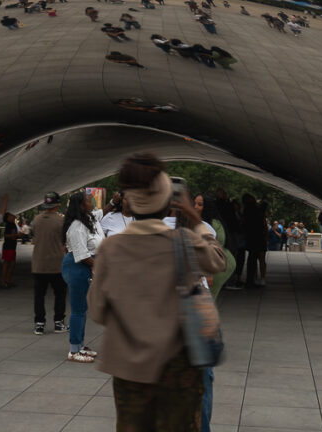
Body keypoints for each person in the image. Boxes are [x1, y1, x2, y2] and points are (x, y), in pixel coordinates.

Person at [89, 154, 226, 431]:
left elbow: (97, 310)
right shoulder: (183, 242)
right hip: (178, 370)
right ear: (168, 203)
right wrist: (195, 218)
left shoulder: (110, 249)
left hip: (128, 370)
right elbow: (218, 260)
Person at [62, 191, 105, 362]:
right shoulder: (77, 227)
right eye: (88, 200)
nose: (92, 201)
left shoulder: (88, 219)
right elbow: (81, 255)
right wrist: (98, 267)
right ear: (81, 205)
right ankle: (74, 350)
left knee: (82, 309)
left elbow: (103, 212)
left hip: (86, 266)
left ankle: (80, 345)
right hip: (78, 267)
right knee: (78, 309)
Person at [32, 192, 67, 336]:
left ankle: (39, 324)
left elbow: (34, 238)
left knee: (39, 296)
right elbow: (65, 240)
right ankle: (58, 322)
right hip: (57, 264)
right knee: (60, 294)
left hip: (39, 264)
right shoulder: (61, 221)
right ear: (58, 204)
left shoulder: (36, 220)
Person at [0, 199, 19, 289]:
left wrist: (18, 235)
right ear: (8, 218)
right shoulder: (9, 225)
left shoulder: (13, 224)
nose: (13, 215)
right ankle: (4, 281)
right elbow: (6, 235)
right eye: (11, 215)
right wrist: (16, 235)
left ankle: (8, 280)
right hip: (8, 247)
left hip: (12, 247)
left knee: (12, 264)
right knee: (7, 263)